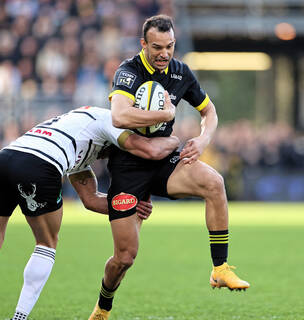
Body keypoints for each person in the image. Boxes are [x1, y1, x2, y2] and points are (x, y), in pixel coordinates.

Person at [89, 14, 250, 320]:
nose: (164, 53)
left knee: (214, 183)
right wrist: (163, 116)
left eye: (170, 46)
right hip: (128, 166)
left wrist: (203, 141)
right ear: (143, 45)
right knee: (124, 257)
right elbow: (119, 116)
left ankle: (220, 268)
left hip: (165, 159)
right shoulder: (128, 71)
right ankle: (103, 306)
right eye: (157, 47)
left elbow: (210, 112)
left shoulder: (180, 72)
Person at [0, 104, 179, 320]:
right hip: (39, 164)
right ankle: (19, 317)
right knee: (46, 244)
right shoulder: (110, 120)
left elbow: (91, 199)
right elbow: (149, 150)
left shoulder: (78, 134)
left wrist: (130, 206)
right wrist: (174, 140)